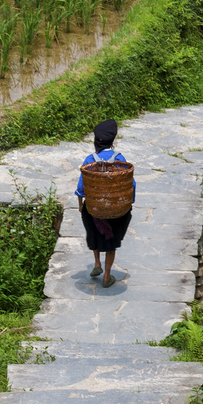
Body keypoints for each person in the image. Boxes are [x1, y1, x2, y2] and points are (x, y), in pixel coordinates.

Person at [75, 119, 134, 288]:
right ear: (112, 141)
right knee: (111, 242)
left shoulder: (89, 160)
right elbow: (132, 184)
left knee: (93, 233)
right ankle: (107, 276)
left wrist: (81, 205)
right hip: (115, 210)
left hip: (94, 209)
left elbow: (81, 188)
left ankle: (97, 264)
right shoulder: (120, 159)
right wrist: (129, 203)